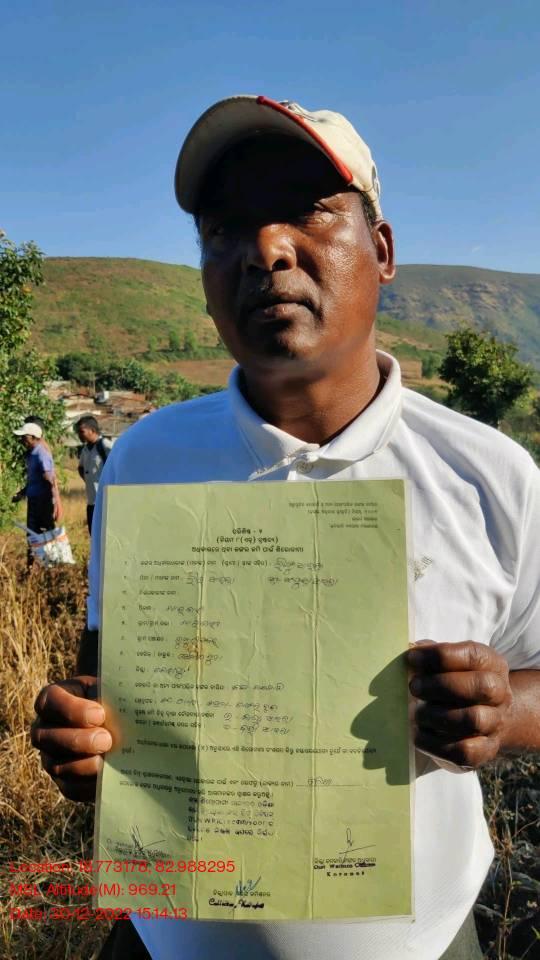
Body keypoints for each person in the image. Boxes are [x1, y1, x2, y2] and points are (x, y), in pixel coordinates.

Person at [31, 95, 540, 960]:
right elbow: (109, 674)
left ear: (382, 251)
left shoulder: (489, 476)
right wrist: (84, 735)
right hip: (163, 940)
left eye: (307, 210)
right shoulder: (147, 459)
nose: (264, 248)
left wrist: (502, 711)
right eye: (223, 229)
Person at [12, 420, 62, 537]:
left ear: (34, 437)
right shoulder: (32, 454)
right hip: (34, 501)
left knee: (44, 535)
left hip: (42, 502)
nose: (22, 440)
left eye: (25, 437)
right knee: (33, 535)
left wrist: (56, 502)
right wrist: (22, 493)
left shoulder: (41, 454)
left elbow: (50, 478)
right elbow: (35, 480)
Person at [75, 416, 112, 533]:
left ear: (92, 430)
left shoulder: (105, 445)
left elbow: (117, 464)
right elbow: (81, 468)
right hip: (91, 502)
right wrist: (89, 481)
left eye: (82, 431)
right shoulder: (86, 449)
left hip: (105, 501)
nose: (79, 435)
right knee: (94, 535)